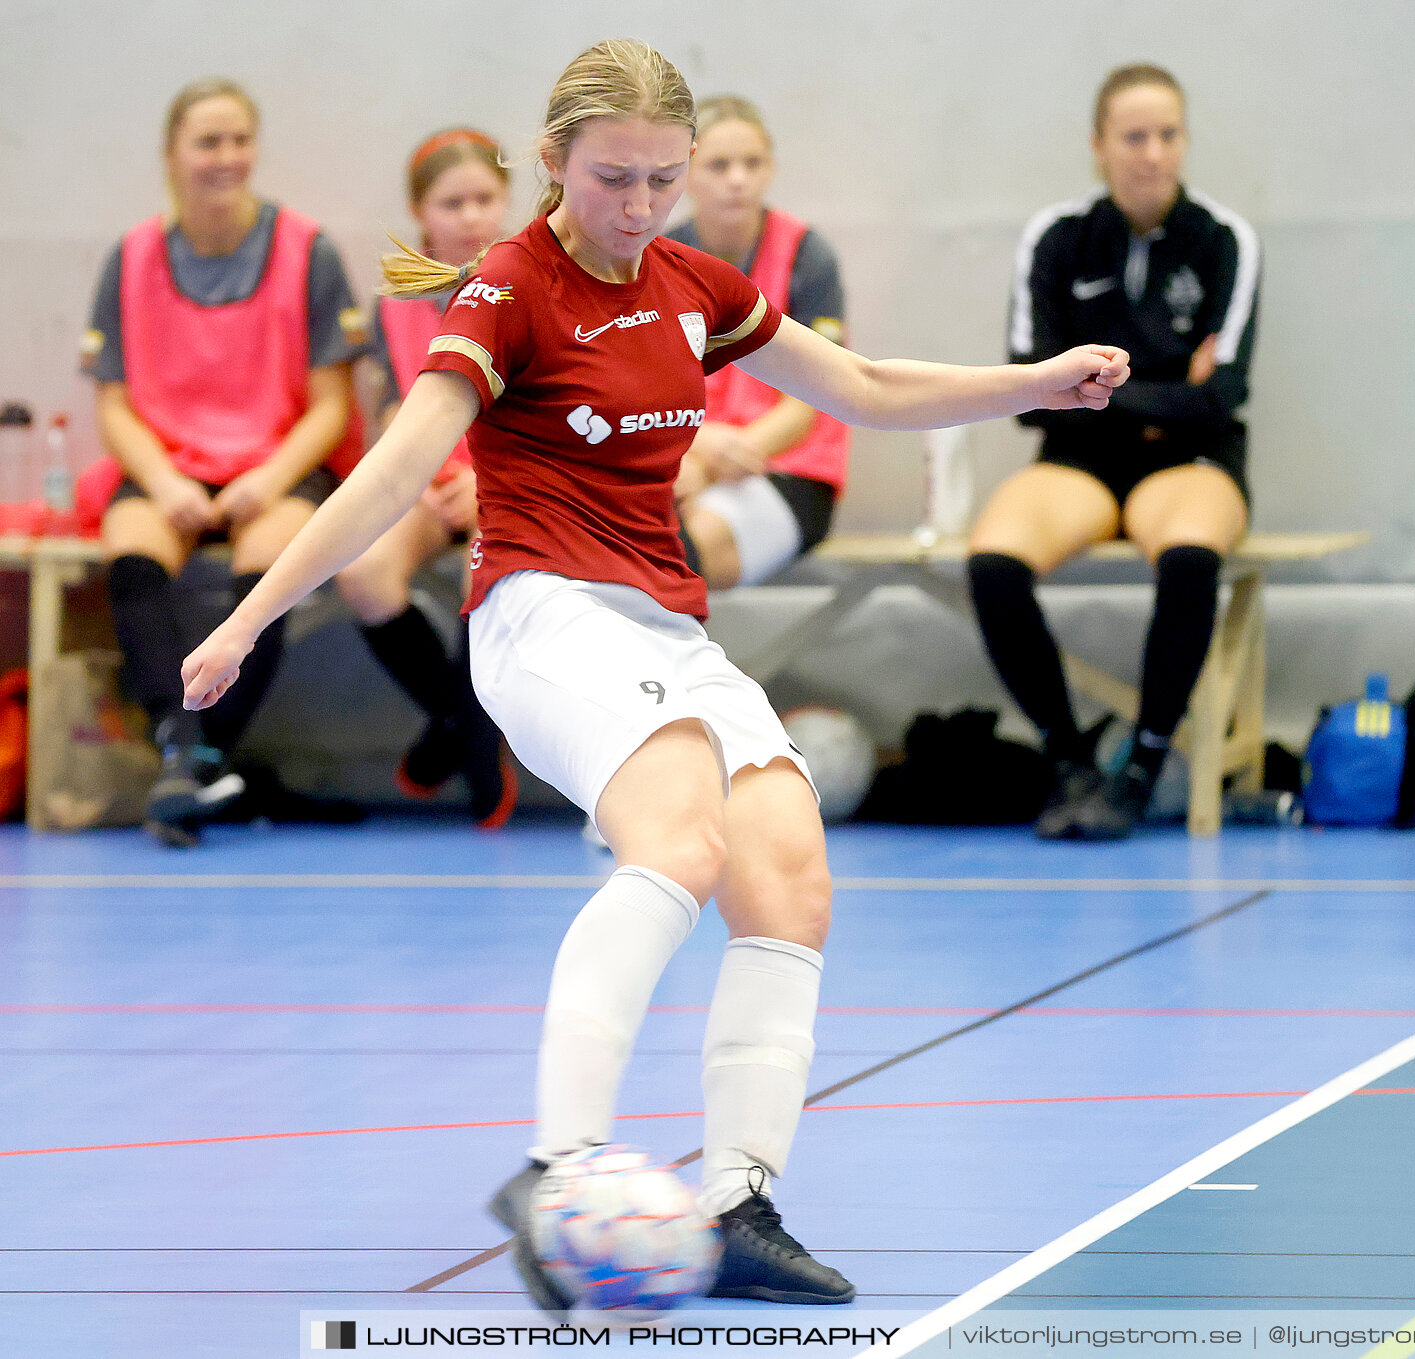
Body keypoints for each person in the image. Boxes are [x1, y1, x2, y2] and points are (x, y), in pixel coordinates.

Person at [179, 39, 1127, 1308]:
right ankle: (557, 1167)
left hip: (664, 625)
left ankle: (737, 1200)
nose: (638, 207)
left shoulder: (692, 283)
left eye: (661, 181)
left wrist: (1039, 384)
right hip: (538, 612)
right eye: (613, 179)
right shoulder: (504, 291)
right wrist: (248, 620)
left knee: (786, 868)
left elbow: (858, 384)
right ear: (554, 163)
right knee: (678, 835)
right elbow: (394, 473)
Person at [969, 62, 1260, 841]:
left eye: (1168, 135)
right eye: (1134, 136)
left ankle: (1144, 766)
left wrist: (1092, 386)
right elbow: (1029, 391)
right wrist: (1166, 393)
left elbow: (1222, 396)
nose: (1152, 153)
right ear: (1100, 146)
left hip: (1191, 461)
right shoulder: (1057, 239)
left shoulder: (1224, 241)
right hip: (1081, 464)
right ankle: (1069, 758)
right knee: (993, 562)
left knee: (1192, 555)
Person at [79, 78, 365, 848]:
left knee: (274, 564)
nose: (227, 157)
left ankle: (194, 755)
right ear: (172, 156)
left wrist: (265, 480)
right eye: (209, 142)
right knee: (133, 557)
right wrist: (168, 481)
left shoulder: (309, 250)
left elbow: (331, 405)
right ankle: (189, 750)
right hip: (170, 462)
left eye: (241, 139)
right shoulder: (133, 256)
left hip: (275, 462)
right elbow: (113, 404)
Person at [336, 128, 517, 827]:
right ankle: (457, 717)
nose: (471, 215)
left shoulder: (530, 280)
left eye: (484, 199)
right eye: (452, 202)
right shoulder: (393, 302)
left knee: (487, 572)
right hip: (425, 480)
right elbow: (389, 413)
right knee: (363, 573)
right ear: (422, 212)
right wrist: (425, 478)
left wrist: (481, 477)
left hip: (504, 478)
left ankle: (471, 742)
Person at [664, 96, 849, 589]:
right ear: (683, 171)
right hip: (683, 458)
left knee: (672, 552)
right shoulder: (656, 258)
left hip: (784, 467)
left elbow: (806, 404)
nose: (738, 179)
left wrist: (716, 461)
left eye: (753, 163)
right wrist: (698, 451)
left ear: (771, 168)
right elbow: (643, 391)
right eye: (719, 165)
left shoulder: (807, 256)